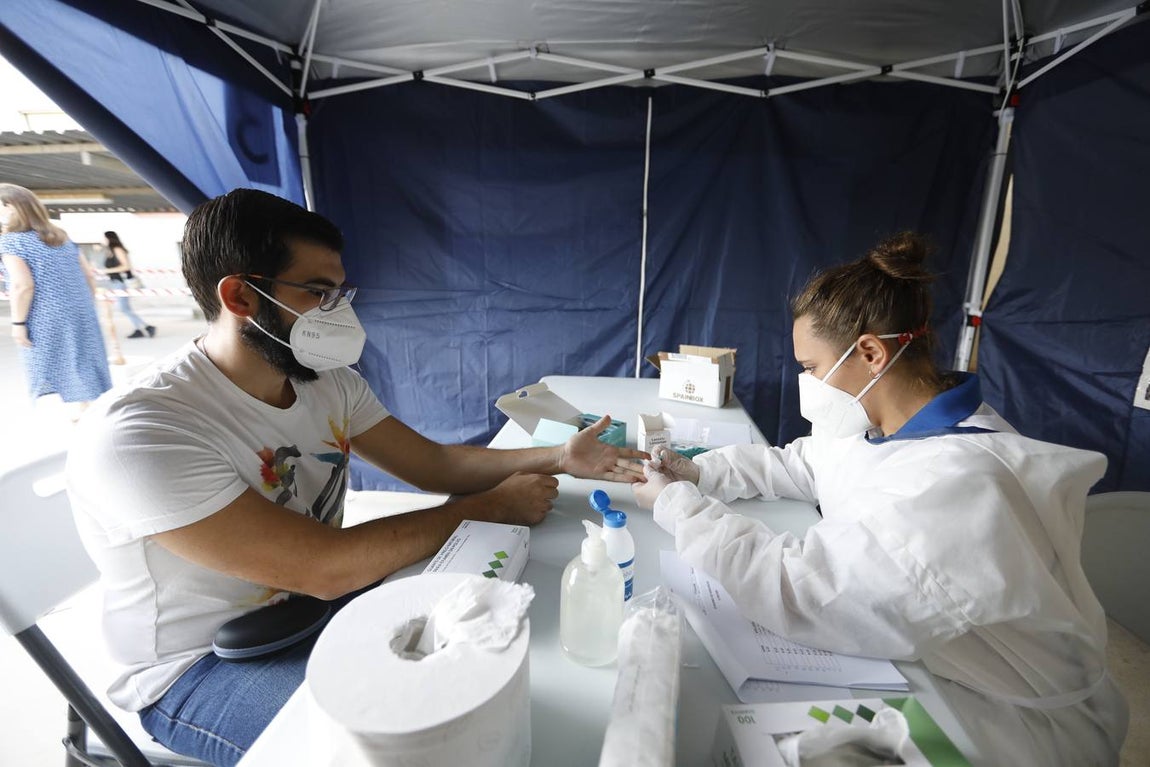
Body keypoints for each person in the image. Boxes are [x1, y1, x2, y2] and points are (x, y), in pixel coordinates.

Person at [65, 188, 647, 767]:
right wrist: (486, 507)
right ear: (240, 296)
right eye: (318, 293)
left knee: (504, 691)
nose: (337, 312)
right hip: (203, 667)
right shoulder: (144, 432)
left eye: (340, 293)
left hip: (320, 612)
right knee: (405, 754)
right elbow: (325, 567)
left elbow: (434, 465)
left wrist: (558, 457)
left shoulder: (328, 384)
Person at [634, 232, 1127, 766]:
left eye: (811, 368)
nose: (807, 383)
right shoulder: (882, 425)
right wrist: (700, 472)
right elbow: (804, 463)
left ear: (870, 352)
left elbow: (803, 590)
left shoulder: (963, 482)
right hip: (936, 661)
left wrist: (679, 506)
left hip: (1019, 723)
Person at [0, 183, 112, 417]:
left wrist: (18, 324)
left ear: (10, 207)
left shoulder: (11, 242)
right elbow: (88, 274)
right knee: (83, 363)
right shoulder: (60, 236)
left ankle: (75, 420)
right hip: (80, 311)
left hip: (44, 317)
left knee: (49, 369)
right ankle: (89, 413)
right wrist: (84, 305)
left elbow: (22, 285)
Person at [100, 230, 156, 338]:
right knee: (124, 308)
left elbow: (126, 266)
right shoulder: (109, 251)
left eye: (104, 238)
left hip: (122, 282)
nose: (102, 240)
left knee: (123, 308)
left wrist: (107, 271)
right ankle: (140, 328)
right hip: (116, 282)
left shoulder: (117, 249)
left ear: (109, 238)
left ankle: (146, 327)